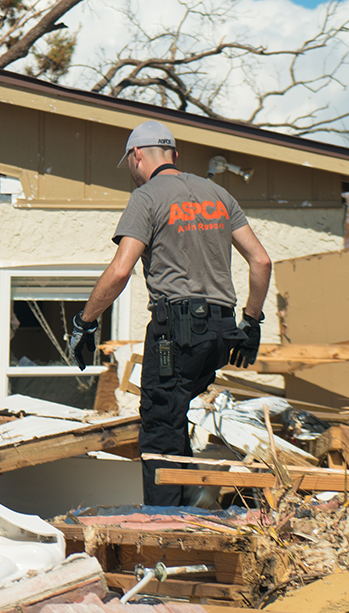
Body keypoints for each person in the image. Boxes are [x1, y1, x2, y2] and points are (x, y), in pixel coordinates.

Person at [69, 120, 272, 506]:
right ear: (175, 155)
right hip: (220, 331)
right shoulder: (218, 194)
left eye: (130, 163)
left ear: (137, 157)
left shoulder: (147, 198)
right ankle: (194, 508)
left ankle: (164, 528)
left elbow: (120, 270)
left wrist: (85, 322)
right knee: (176, 421)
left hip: (175, 333)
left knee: (160, 428)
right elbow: (261, 261)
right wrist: (252, 322)